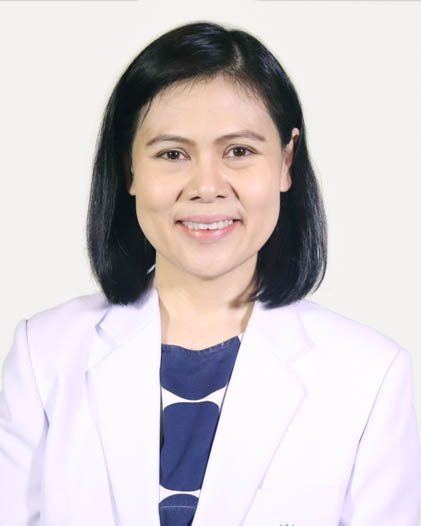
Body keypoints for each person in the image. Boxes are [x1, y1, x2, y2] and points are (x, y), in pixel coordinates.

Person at [0, 20, 420, 526]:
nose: (206, 186)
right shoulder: (44, 356)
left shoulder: (370, 376)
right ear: (130, 167)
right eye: (172, 154)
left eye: (239, 151)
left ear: (285, 161)